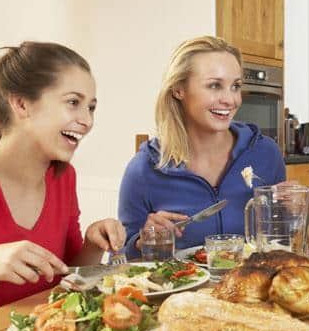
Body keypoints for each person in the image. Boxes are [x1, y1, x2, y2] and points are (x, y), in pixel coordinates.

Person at [0, 41, 126, 321]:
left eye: (91, 107)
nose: (87, 120)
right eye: (73, 102)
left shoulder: (63, 178)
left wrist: (93, 245)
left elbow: (67, 275)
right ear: (21, 103)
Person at [118, 36, 286, 259]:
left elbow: (281, 240)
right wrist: (143, 240)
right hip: (182, 292)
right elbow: (123, 259)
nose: (230, 99)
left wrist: (291, 211)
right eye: (215, 85)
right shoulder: (145, 169)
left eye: (235, 86)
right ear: (179, 89)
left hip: (252, 289)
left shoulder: (266, 154)